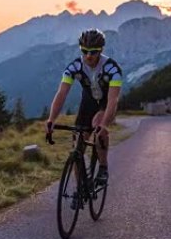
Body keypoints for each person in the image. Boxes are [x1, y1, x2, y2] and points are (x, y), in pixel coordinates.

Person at [45, 28, 123, 184]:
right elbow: (61, 94)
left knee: (98, 127)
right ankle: (81, 187)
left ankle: (103, 167)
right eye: (84, 51)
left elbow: (113, 100)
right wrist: (51, 119)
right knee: (77, 146)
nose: (89, 55)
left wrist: (105, 124)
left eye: (93, 52)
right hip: (88, 102)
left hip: (105, 103)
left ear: (101, 50)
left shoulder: (112, 69)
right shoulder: (74, 67)